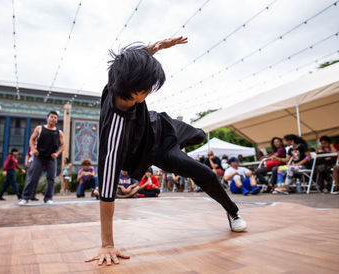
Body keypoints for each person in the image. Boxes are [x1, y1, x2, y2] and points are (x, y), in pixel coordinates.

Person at [85, 37, 246, 266]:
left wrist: (155, 48)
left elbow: (130, 62)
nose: (151, 91)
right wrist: (107, 244)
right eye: (149, 88)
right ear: (137, 91)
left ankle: (186, 146)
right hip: (155, 151)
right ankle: (234, 212)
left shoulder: (117, 83)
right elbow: (107, 189)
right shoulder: (115, 132)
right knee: (206, 174)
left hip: (160, 126)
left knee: (199, 134)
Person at [20, 111, 64, 204]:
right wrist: (33, 149)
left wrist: (57, 154)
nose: (53, 119)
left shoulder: (59, 132)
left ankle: (48, 198)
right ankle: (25, 197)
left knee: (51, 178)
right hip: (39, 156)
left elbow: (63, 145)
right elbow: (31, 139)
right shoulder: (39, 128)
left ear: (57, 120)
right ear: (47, 118)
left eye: (55, 117)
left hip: (51, 158)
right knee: (33, 177)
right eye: (51, 117)